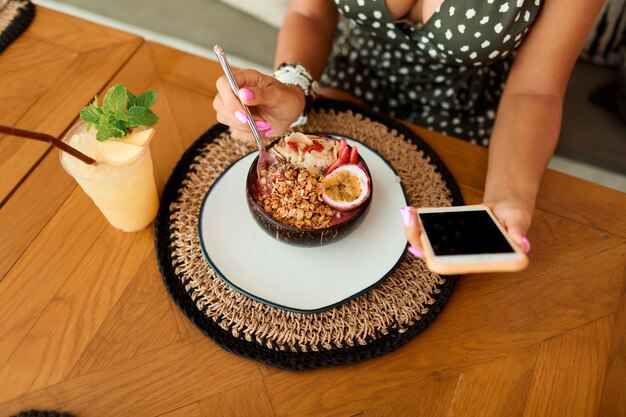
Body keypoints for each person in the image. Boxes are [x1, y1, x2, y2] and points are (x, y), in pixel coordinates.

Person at [213, 0, 604, 257]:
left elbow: (534, 91)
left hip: (469, 115)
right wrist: (293, 85)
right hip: (349, 76)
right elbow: (310, 14)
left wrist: (506, 199)